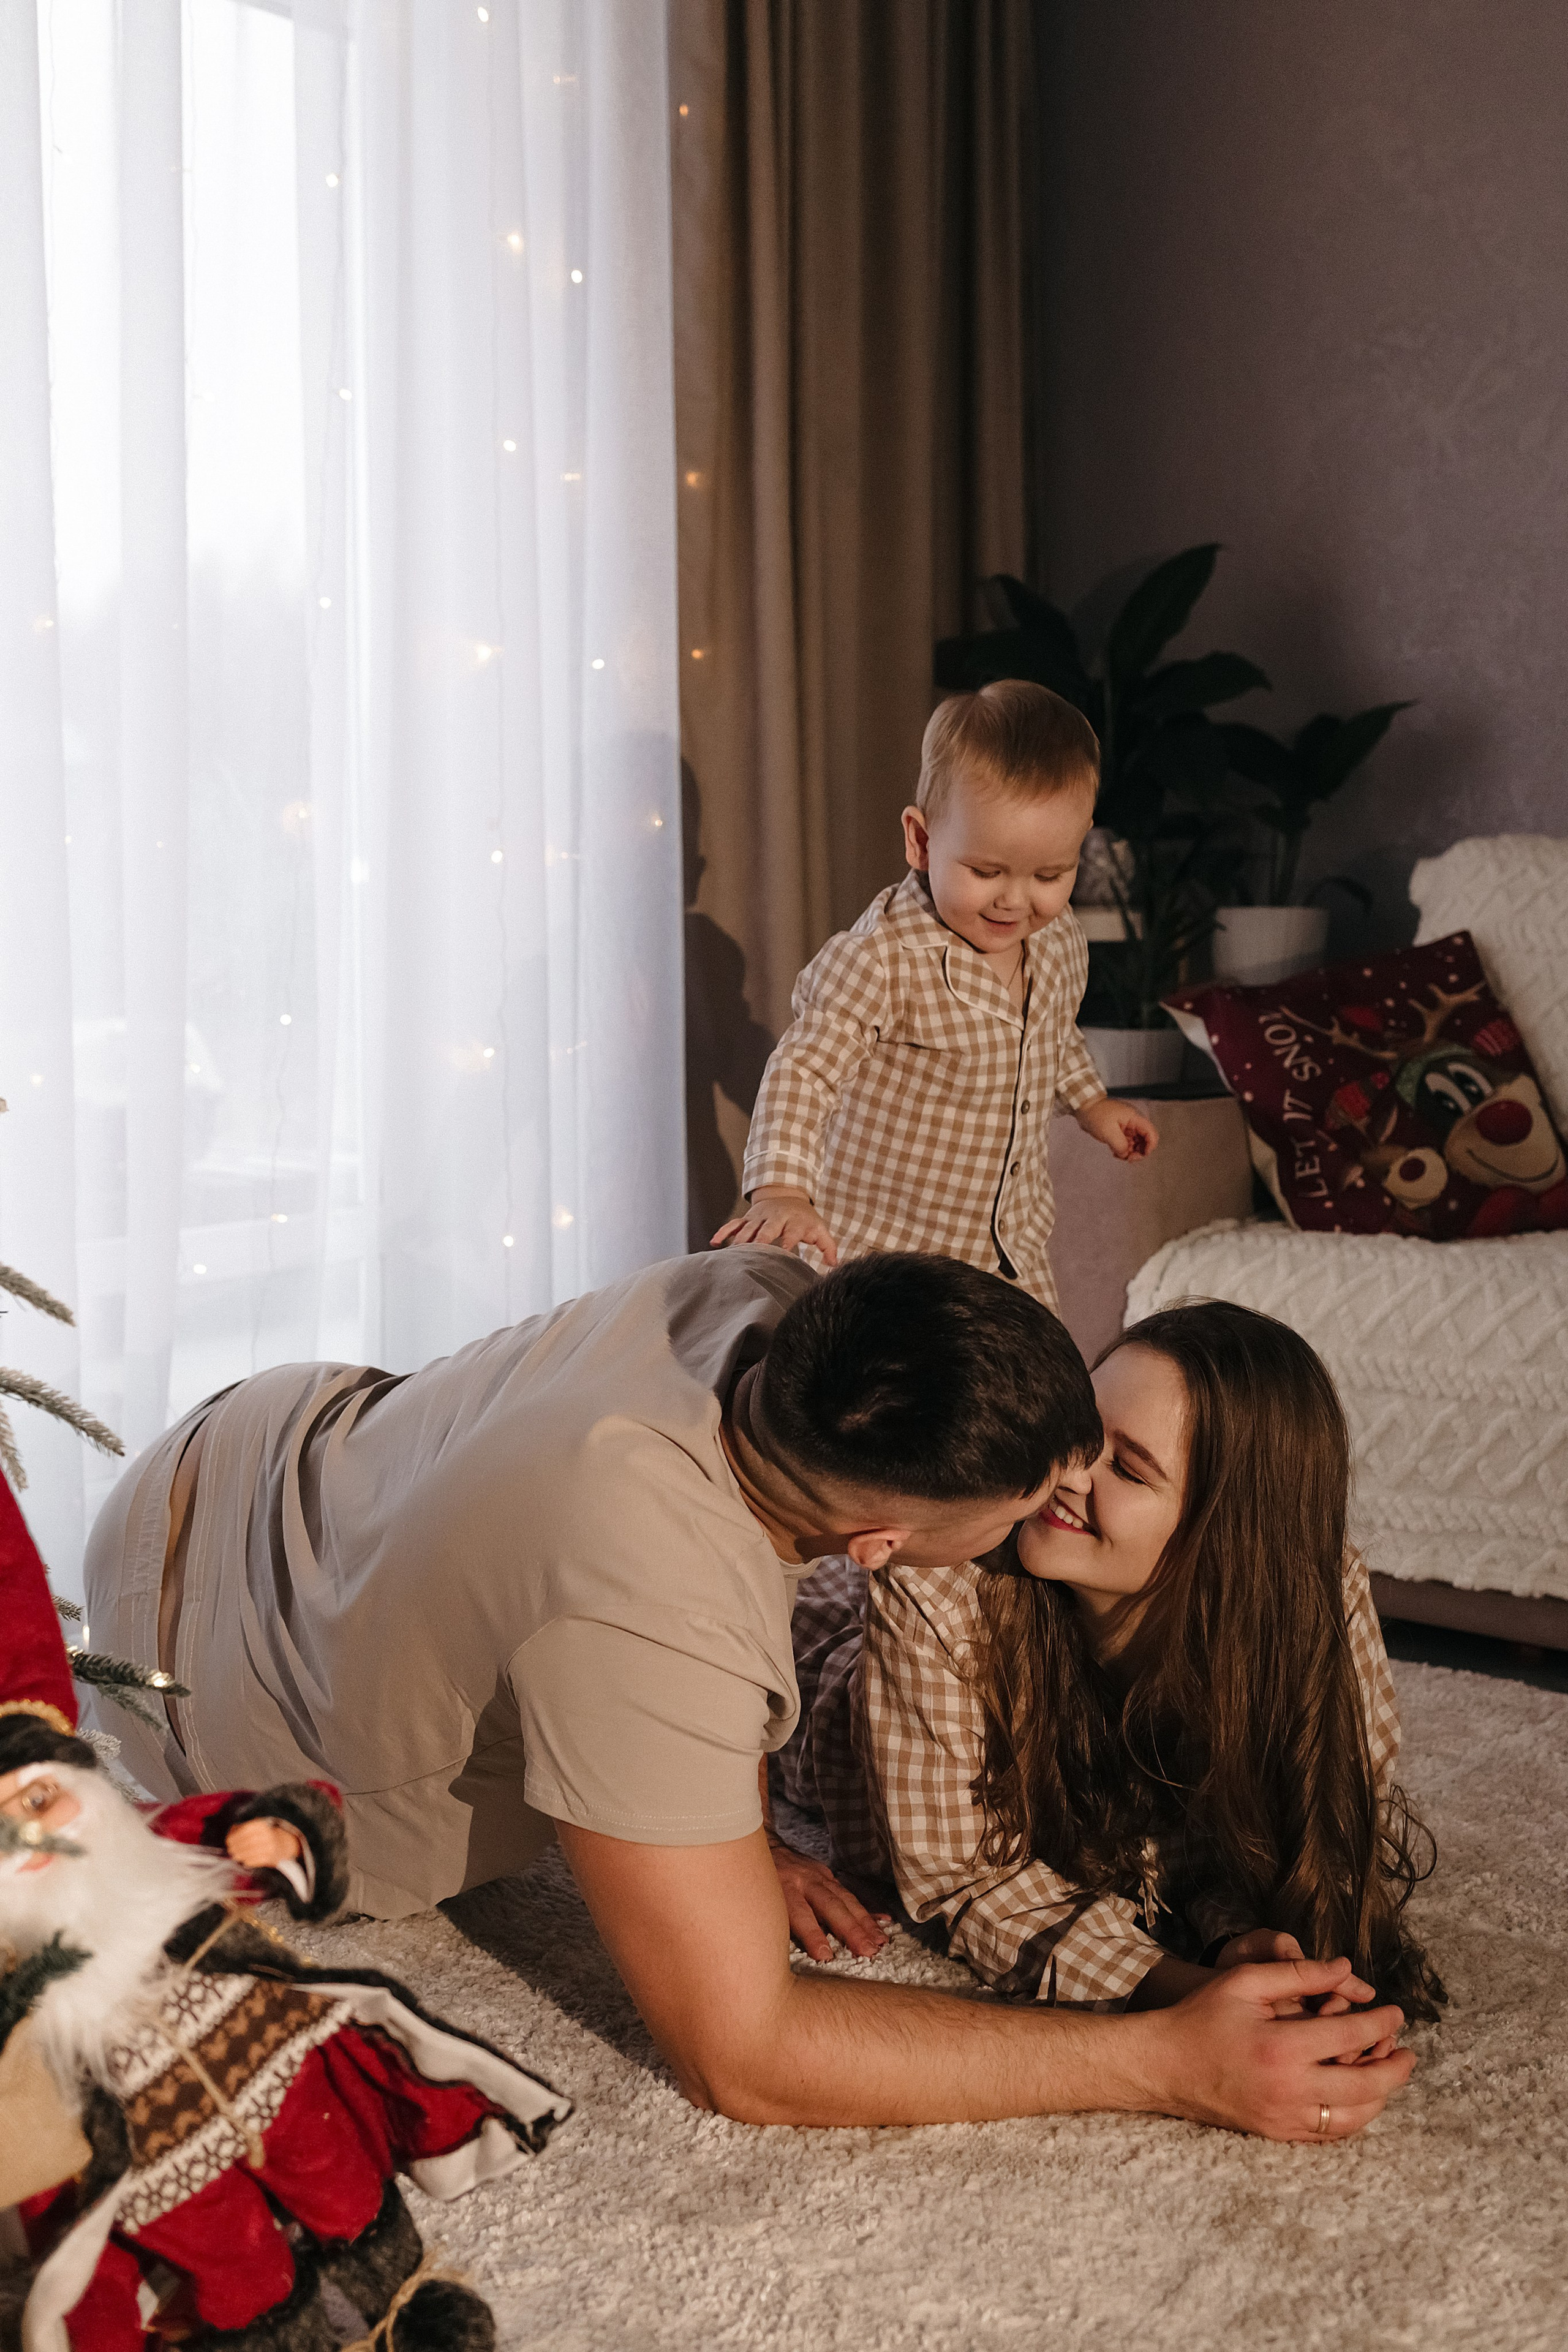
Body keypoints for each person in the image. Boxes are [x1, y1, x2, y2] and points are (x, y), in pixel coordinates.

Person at [80, 1248, 1415, 2139]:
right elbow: (748, 2059)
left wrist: (722, 1822)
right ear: (880, 1547)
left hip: (257, 1436)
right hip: (195, 1697)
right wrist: (1168, 2062)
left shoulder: (780, 1304)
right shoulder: (649, 1607)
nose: (1058, 1499)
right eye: (1021, 1506)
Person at [778, 1301, 1447, 2036]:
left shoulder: (1316, 1598)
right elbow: (965, 1881)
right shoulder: (939, 1587)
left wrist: (1233, 1938)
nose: (1065, 1472)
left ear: (1228, 1540)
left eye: (1127, 1469)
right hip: (823, 1670)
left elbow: (1284, 1824)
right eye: (1079, 1431)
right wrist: (1188, 1992)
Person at [713, 681, 1159, 1309]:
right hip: (882, 1256)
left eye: (1050, 874)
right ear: (921, 841)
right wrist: (782, 1189)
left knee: (1036, 1368)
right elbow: (804, 1072)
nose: (1015, 900)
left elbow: (1050, 1035)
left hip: (1009, 1256)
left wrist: (1090, 1103)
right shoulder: (881, 960)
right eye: (985, 872)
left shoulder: (1058, 941)